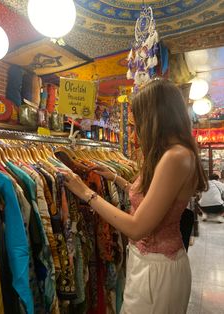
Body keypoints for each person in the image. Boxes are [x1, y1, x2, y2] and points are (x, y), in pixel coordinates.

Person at [64, 78, 208, 314]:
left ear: (155, 116)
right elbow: (155, 201)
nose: (135, 126)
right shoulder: (173, 154)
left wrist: (86, 192)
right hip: (150, 265)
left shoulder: (175, 157)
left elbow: (137, 227)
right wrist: (115, 178)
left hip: (157, 270)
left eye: (138, 118)